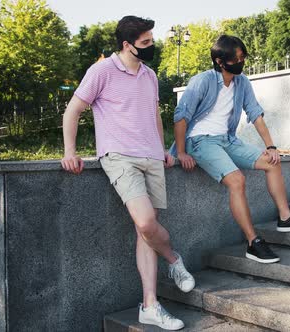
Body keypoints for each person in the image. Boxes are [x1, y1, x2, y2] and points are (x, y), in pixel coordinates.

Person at [61, 16, 193, 330]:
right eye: (145, 43)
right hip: (119, 156)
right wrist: (70, 151)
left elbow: (153, 114)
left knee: (145, 233)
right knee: (147, 222)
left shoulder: (149, 75)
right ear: (127, 45)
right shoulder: (102, 70)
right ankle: (174, 260)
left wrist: (162, 147)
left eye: (151, 40)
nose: (151, 47)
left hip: (151, 157)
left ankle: (149, 306)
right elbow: (73, 110)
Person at [171, 35, 290, 264]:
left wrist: (271, 146)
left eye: (243, 57)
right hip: (200, 141)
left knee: (272, 162)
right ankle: (253, 242)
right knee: (237, 180)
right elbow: (181, 116)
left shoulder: (242, 82)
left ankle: (286, 218)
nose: (241, 62)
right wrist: (181, 152)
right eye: (237, 58)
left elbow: (255, 114)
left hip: (228, 139)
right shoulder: (203, 81)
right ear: (220, 61)